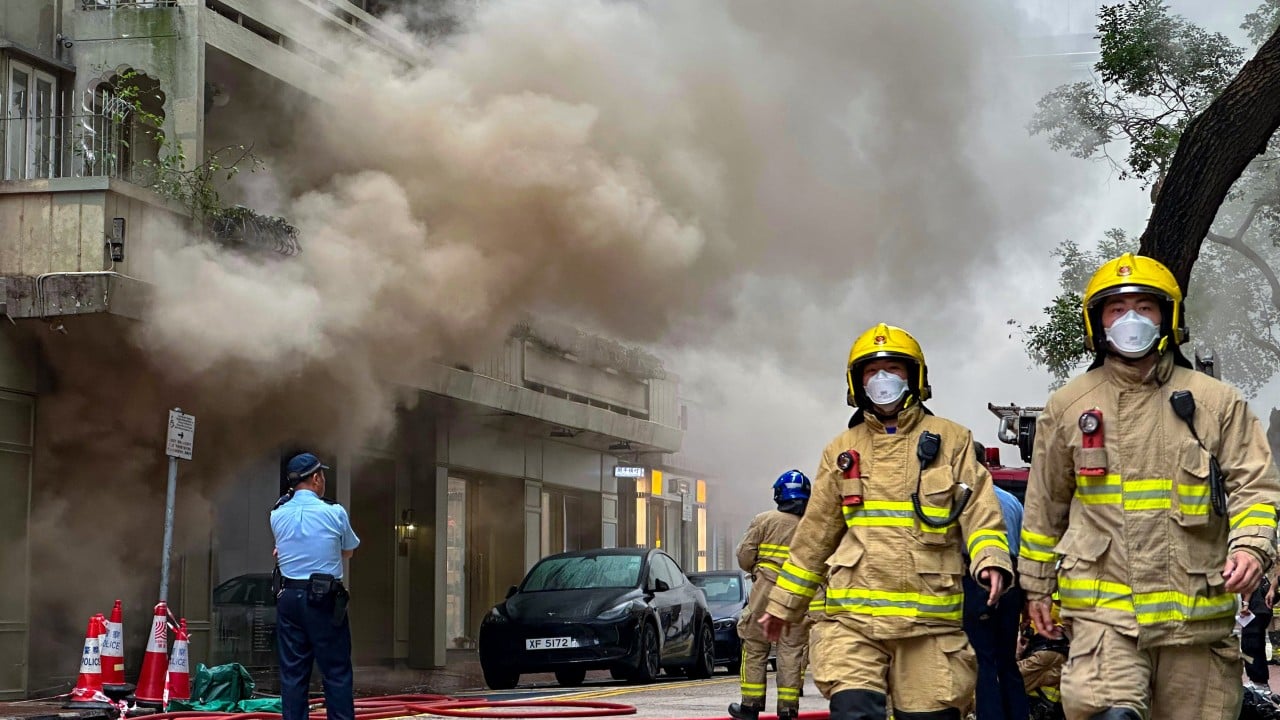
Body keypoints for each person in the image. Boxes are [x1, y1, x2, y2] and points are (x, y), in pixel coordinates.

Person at [1018, 253, 1280, 720]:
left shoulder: (1217, 403)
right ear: (1097, 321)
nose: (1131, 320)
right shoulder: (1068, 407)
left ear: (1169, 315)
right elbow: (1044, 508)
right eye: (1116, 309)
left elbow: (1255, 485)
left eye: (1145, 307)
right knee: (1107, 713)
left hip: (1196, 618)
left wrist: (1251, 547)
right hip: (1105, 614)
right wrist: (1035, 588)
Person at [759, 323, 1014, 720]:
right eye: (871, 371)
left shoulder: (952, 440)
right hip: (854, 624)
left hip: (930, 628)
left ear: (915, 376)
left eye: (894, 369)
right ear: (856, 382)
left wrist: (991, 558)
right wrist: (782, 605)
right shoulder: (841, 451)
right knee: (854, 710)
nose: (882, 380)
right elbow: (814, 537)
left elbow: (980, 510)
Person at [271, 452, 361, 720]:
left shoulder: (277, 514)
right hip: (323, 598)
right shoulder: (334, 512)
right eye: (322, 476)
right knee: (335, 671)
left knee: (293, 673)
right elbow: (348, 551)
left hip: (288, 598)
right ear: (316, 478)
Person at [729, 470, 813, 720]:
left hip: (764, 593)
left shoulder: (764, 520)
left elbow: (744, 556)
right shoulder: (812, 525)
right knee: (791, 651)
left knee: (755, 646)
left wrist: (758, 568)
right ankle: (788, 710)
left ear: (779, 494)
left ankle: (750, 707)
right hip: (799, 594)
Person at [964, 442, 1029, 720]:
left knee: (983, 661)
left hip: (979, 579)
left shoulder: (967, 501)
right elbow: (1025, 546)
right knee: (1007, 661)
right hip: (1012, 581)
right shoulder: (1012, 501)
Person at [1242, 573, 1276, 699]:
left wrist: (1245, 603)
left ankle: (1259, 683)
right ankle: (1259, 682)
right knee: (1253, 643)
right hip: (1260, 606)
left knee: (1251, 644)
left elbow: (1250, 581)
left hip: (1256, 606)